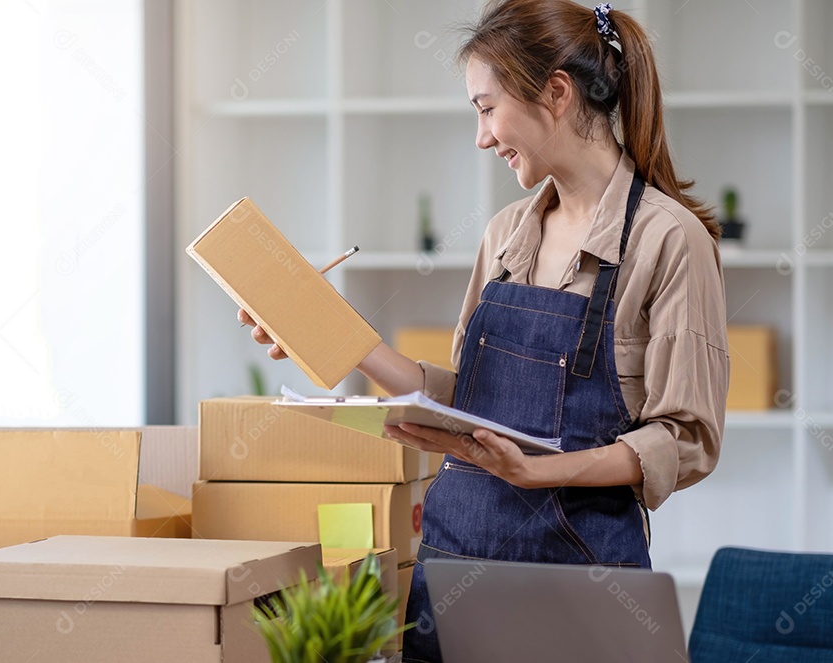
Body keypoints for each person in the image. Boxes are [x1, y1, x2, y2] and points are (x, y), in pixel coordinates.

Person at [239, 1, 729, 660]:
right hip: (453, 568)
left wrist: (541, 470)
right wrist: (335, 334)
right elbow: (470, 398)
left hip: (582, 584)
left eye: (486, 107)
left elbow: (685, 438)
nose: (482, 136)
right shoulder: (506, 235)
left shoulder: (668, 240)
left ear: (555, 93)